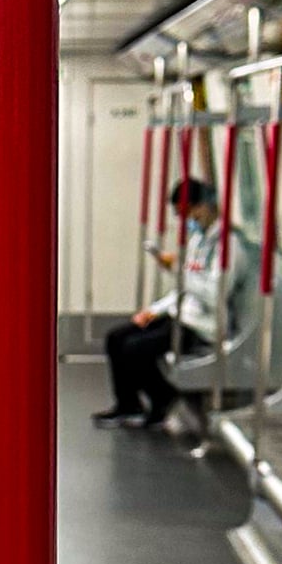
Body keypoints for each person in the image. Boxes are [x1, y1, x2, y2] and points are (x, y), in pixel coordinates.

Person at [95, 174, 222, 427]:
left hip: (202, 325)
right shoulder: (199, 240)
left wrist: (178, 269)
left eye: (190, 215)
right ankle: (128, 404)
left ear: (205, 206)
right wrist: (153, 311)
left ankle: (162, 397)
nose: (188, 222)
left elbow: (213, 295)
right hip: (183, 314)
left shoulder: (227, 246)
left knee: (135, 349)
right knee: (116, 338)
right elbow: (184, 288)